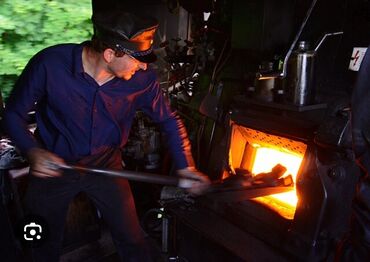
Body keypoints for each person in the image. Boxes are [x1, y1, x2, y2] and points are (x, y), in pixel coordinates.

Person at [2, 10, 210, 262]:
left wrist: (185, 166)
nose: (144, 65)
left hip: (106, 164)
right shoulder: (50, 64)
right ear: (110, 54)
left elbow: (168, 120)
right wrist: (32, 150)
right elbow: (13, 114)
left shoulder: (142, 80)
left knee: (133, 240)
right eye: (138, 58)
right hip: (54, 164)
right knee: (39, 241)